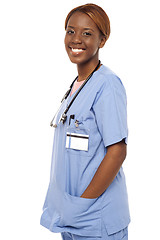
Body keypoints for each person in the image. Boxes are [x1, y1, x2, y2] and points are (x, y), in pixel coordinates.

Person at [40, 3, 130, 240]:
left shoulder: (107, 84)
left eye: (87, 33)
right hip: (71, 217)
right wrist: (71, 210)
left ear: (103, 40)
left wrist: (83, 204)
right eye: (70, 31)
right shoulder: (78, 86)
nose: (76, 39)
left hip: (96, 219)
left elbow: (117, 151)